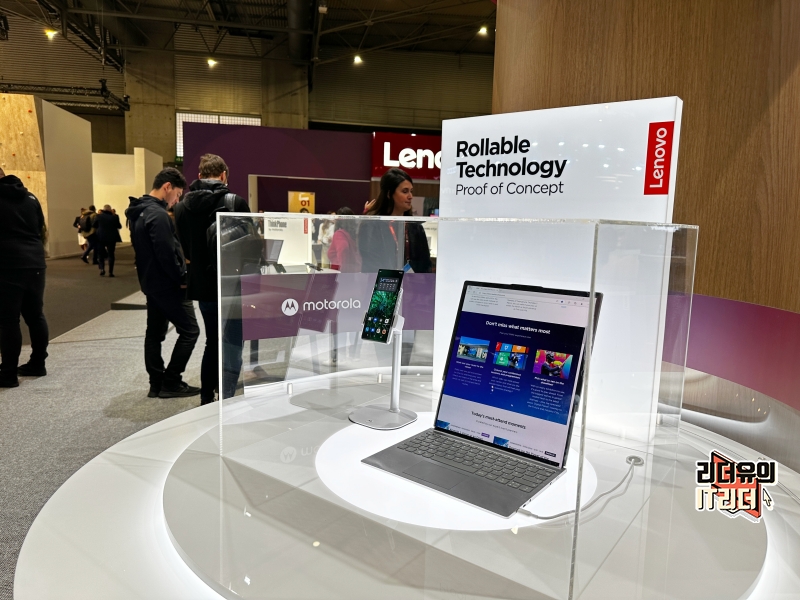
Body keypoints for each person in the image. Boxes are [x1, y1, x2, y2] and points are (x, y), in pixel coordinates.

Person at [174, 154, 250, 404]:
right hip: (233, 284)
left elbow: (186, 251)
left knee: (212, 342)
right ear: (224, 175)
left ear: (199, 176)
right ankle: (227, 397)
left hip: (203, 286)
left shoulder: (181, 208)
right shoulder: (235, 202)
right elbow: (251, 247)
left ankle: (206, 398)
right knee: (233, 343)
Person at [126, 168, 201, 399]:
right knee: (190, 331)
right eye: (177, 194)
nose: (176, 200)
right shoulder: (157, 215)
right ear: (167, 187)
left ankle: (156, 383)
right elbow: (166, 253)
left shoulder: (138, 211)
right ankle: (171, 381)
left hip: (151, 283)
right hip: (168, 285)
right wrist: (181, 279)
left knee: (155, 334)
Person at [0, 168, 50, 387]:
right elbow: (41, 229)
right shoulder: (31, 197)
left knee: (8, 320)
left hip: (7, 264)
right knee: (35, 315)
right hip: (35, 262)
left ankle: (8, 374)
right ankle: (38, 363)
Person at [358, 167, 431, 273]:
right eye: (405, 191)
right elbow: (370, 264)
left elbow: (425, 265)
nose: (410, 196)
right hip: (382, 281)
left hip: (413, 282)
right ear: (389, 194)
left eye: (411, 191)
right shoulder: (371, 225)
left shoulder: (415, 227)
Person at [327, 207, 362, 273]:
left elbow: (343, 250)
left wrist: (342, 273)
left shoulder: (340, 234)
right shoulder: (352, 234)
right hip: (353, 271)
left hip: (341, 274)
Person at [95, 205, 122, 277]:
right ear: (110, 210)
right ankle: (111, 272)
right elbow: (119, 226)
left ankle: (102, 269)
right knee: (111, 254)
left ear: (103, 209)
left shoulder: (98, 216)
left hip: (100, 237)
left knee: (100, 254)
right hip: (111, 238)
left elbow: (94, 225)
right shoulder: (114, 217)